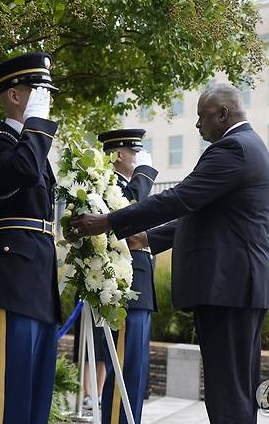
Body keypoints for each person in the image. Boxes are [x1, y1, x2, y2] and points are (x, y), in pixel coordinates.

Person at [68, 83, 269, 424]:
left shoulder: (233, 149)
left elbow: (180, 199)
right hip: (239, 285)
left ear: (222, 114)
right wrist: (147, 239)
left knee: (229, 392)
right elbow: (204, 217)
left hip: (229, 287)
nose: (197, 125)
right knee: (235, 388)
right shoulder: (247, 147)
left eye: (202, 116)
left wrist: (107, 221)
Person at [0, 52, 61, 424]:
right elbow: (22, 170)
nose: (46, 101)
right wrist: (36, 122)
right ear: (15, 96)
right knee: (5, 400)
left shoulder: (33, 147)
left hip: (37, 283)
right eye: (38, 91)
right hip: (8, 281)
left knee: (35, 398)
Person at [96, 129, 158, 424]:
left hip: (141, 286)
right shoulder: (109, 186)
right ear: (118, 155)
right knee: (123, 368)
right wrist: (144, 174)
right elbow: (129, 212)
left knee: (135, 372)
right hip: (124, 289)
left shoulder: (130, 187)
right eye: (135, 153)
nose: (140, 157)